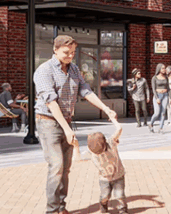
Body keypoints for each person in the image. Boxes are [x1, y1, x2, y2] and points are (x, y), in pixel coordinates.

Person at [34, 34, 118, 214]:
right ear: (55, 50)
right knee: (56, 166)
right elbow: (51, 102)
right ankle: (52, 210)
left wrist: (106, 108)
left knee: (66, 168)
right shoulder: (44, 70)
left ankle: (61, 207)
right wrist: (66, 129)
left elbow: (86, 91)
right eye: (66, 52)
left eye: (73, 52)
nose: (71, 56)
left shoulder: (73, 69)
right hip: (48, 122)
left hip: (66, 121)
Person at [87, 121, 126, 214]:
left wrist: (113, 119)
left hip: (118, 175)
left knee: (120, 194)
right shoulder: (93, 150)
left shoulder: (111, 143)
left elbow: (119, 129)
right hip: (104, 178)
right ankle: (103, 204)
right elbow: (79, 158)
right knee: (105, 195)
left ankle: (123, 209)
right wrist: (76, 147)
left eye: (101, 151)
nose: (99, 153)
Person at [150, 63, 170, 133]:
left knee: (163, 113)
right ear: (159, 69)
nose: (164, 69)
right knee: (157, 113)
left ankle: (161, 128)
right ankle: (151, 124)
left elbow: (168, 88)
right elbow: (153, 89)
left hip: (165, 95)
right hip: (158, 95)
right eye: (163, 68)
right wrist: (156, 98)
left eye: (164, 68)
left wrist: (170, 98)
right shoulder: (154, 78)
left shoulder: (166, 77)